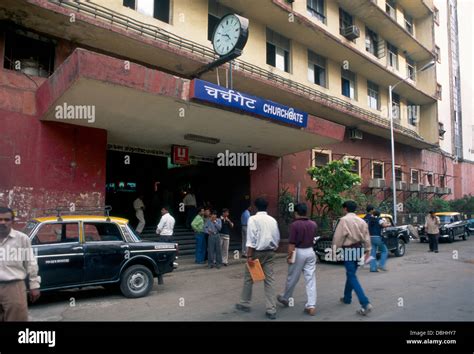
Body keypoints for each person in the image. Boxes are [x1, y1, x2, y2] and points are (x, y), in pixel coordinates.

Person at [235, 197, 280, 320]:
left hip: (256, 252)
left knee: (249, 278)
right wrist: (273, 247)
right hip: (270, 252)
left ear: (255, 207)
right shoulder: (272, 220)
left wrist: (249, 255)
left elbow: (251, 238)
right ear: (267, 207)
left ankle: (245, 302)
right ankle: (271, 309)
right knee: (269, 280)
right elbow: (276, 237)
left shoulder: (252, 219)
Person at [0, 207, 41, 321]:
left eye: (6, 219)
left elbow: (30, 262)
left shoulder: (22, 239)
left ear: (13, 221)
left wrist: (34, 285)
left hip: (14, 287)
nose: (2, 222)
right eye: (0, 219)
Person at [332, 200, 373, 316]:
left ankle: (365, 303)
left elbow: (338, 237)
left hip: (348, 249)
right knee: (350, 274)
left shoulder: (344, 220)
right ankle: (347, 298)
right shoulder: (362, 221)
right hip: (359, 249)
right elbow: (367, 237)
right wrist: (368, 251)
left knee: (351, 275)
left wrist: (334, 252)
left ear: (345, 209)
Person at [277, 203, 318, 316]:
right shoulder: (313, 224)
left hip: (299, 252)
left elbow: (292, 243)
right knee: (311, 279)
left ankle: (285, 297)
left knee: (292, 277)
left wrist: (289, 256)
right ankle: (311, 305)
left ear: (296, 213)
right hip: (310, 251)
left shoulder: (295, 225)